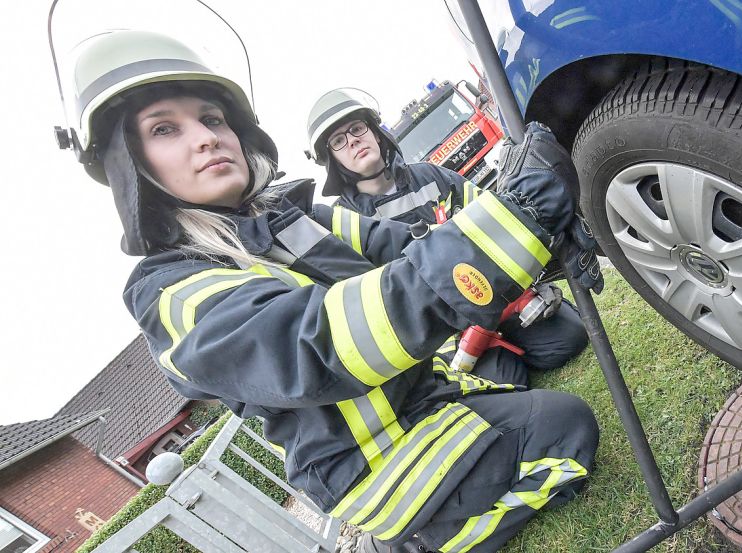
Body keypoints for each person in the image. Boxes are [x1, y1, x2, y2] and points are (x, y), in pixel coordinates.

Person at [62, 30, 601, 553]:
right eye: (163, 130)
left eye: (211, 118)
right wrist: (515, 221)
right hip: (373, 464)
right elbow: (323, 343)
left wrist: (535, 238)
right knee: (566, 431)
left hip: (423, 403)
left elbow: (404, 248)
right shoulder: (171, 292)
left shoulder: (288, 220)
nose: (205, 137)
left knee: (536, 383)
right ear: (129, 167)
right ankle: (412, 542)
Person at [304, 89, 591, 383]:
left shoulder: (430, 176)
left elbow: (496, 224)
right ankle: (496, 360)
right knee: (506, 379)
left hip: (490, 297)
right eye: (338, 141)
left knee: (569, 337)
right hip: (438, 335)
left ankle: (507, 343)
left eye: (357, 128)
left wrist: (532, 284)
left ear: (376, 133)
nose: (353, 140)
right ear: (333, 160)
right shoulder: (344, 221)